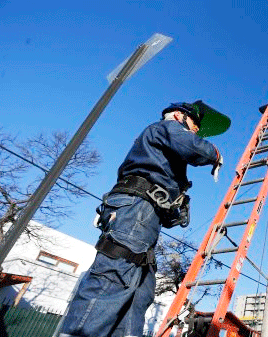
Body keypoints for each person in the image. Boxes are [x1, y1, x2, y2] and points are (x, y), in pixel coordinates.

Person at [59, 101, 226, 337]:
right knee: (115, 273)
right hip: (136, 209)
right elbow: (193, 147)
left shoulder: (160, 142)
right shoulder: (167, 127)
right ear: (179, 115)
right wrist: (215, 154)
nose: (197, 129)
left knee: (141, 290)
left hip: (144, 213)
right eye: (195, 123)